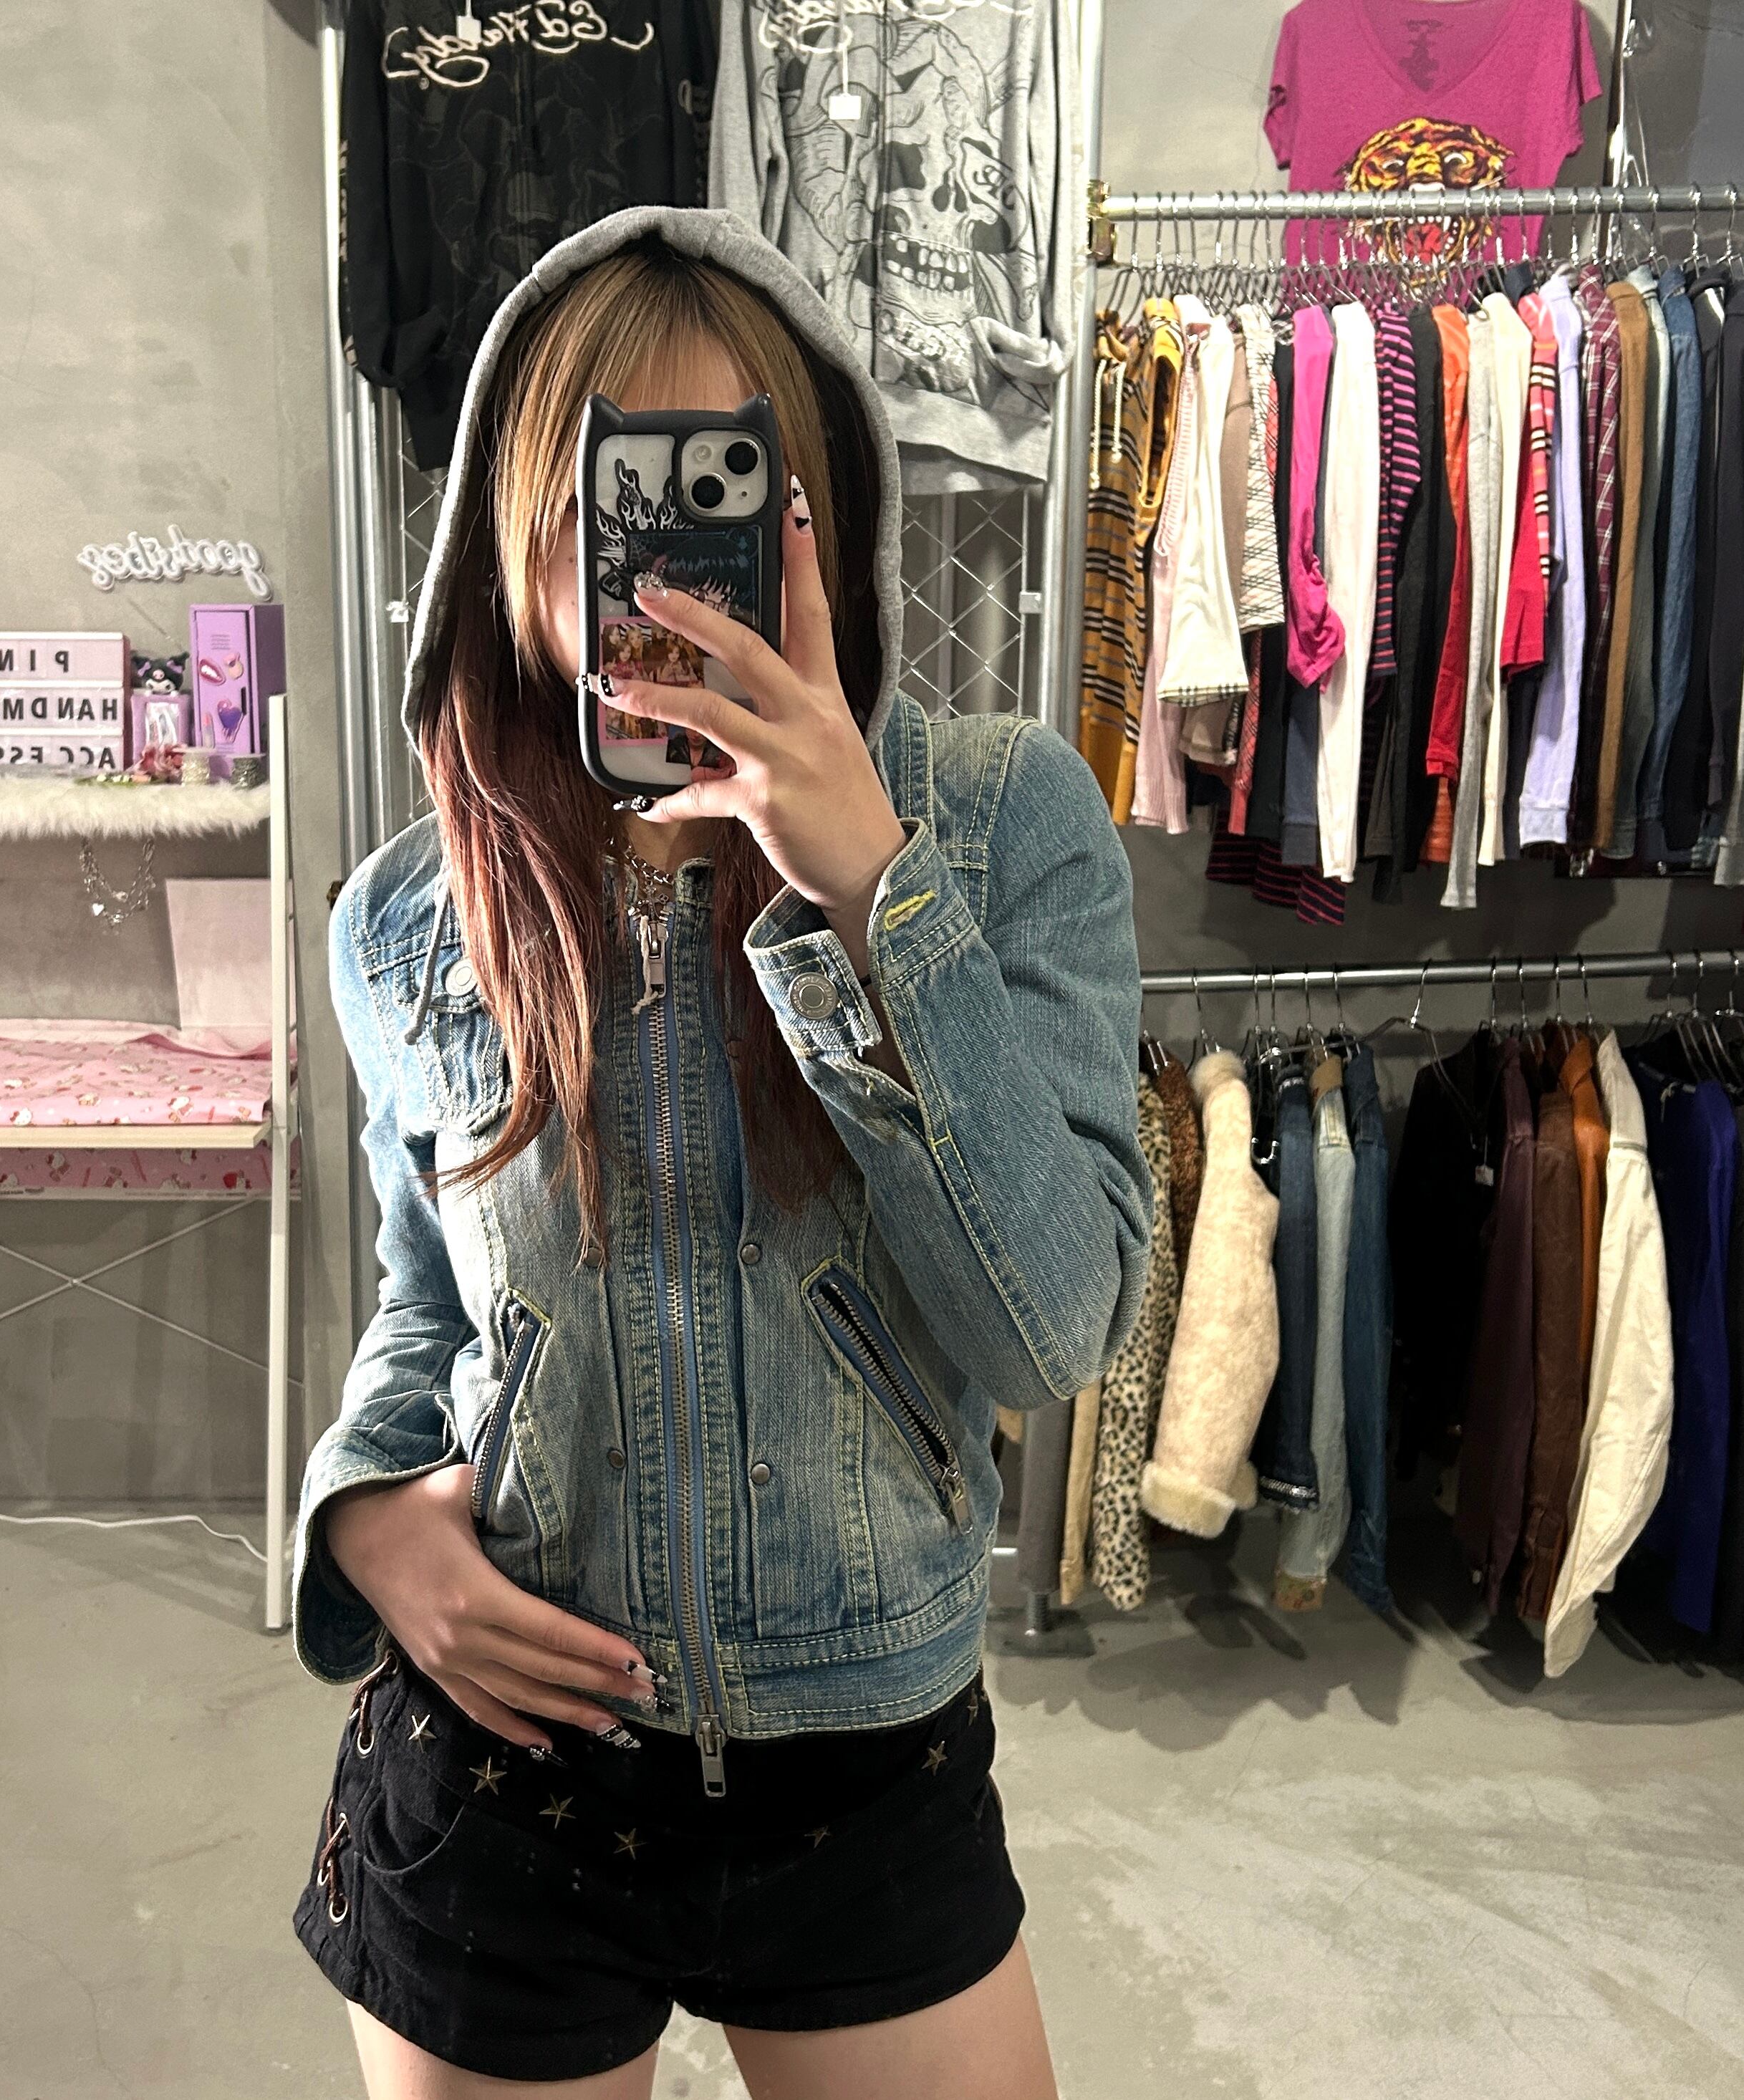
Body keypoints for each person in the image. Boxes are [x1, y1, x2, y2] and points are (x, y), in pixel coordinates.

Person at [290, 206, 1150, 2099]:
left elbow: (1051, 1333)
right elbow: (427, 1313)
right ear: (509, 539)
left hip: (865, 1766)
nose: (658, 582)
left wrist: (873, 896)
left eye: (724, 506)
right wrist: (364, 1517)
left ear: (815, 524)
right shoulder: (408, 914)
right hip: (506, 1765)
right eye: (606, 510)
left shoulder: (1004, 821)